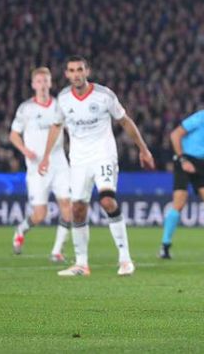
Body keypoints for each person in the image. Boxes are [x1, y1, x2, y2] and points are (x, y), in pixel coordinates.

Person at [38, 56, 155, 277]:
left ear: (87, 71)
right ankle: (81, 264)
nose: (76, 74)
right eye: (72, 70)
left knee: (107, 201)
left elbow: (125, 120)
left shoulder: (104, 95)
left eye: (80, 69)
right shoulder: (63, 99)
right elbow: (56, 126)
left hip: (103, 156)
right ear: (67, 74)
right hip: (78, 161)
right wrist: (45, 157)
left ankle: (125, 259)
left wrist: (143, 149)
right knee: (77, 209)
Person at [159, 92, 204, 260]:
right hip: (184, 158)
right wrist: (182, 159)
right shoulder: (201, 117)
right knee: (179, 203)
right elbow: (175, 134)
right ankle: (165, 246)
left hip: (202, 162)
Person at [10, 67, 72, 262]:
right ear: (33, 85)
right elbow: (13, 135)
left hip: (59, 163)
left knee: (67, 206)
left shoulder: (60, 106)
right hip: (37, 167)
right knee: (39, 214)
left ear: (50, 83)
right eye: (39, 81)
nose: (43, 85)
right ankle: (21, 229)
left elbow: (71, 130)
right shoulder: (26, 109)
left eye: (46, 81)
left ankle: (57, 251)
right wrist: (25, 151)